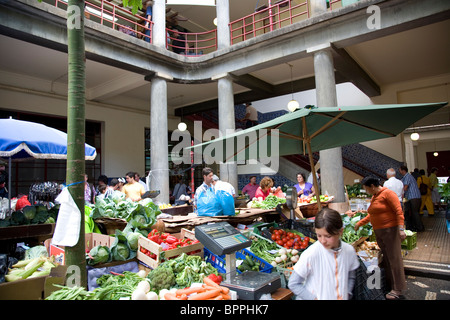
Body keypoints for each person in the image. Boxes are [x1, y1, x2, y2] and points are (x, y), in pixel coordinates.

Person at [288, 208, 359, 300]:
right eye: (319, 235)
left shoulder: (349, 251)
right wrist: (313, 298)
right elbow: (293, 283)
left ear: (340, 232)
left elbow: (351, 276)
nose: (323, 241)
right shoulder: (311, 254)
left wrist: (347, 294)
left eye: (328, 236)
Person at [355, 176, 407, 300]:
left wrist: (401, 229)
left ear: (372, 186)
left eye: (366, 188)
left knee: (394, 259)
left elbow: (399, 211)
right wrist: (359, 223)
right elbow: (371, 215)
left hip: (390, 231)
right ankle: (391, 285)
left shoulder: (388, 194)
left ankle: (398, 289)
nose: (366, 191)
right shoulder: (375, 196)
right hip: (380, 232)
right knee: (387, 259)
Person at [399, 165, 424, 232]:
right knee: (414, 213)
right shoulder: (406, 176)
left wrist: (400, 193)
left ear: (403, 170)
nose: (399, 171)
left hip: (414, 197)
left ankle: (419, 228)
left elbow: (405, 187)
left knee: (415, 213)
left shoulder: (407, 176)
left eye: (400, 170)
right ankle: (416, 227)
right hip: (414, 197)